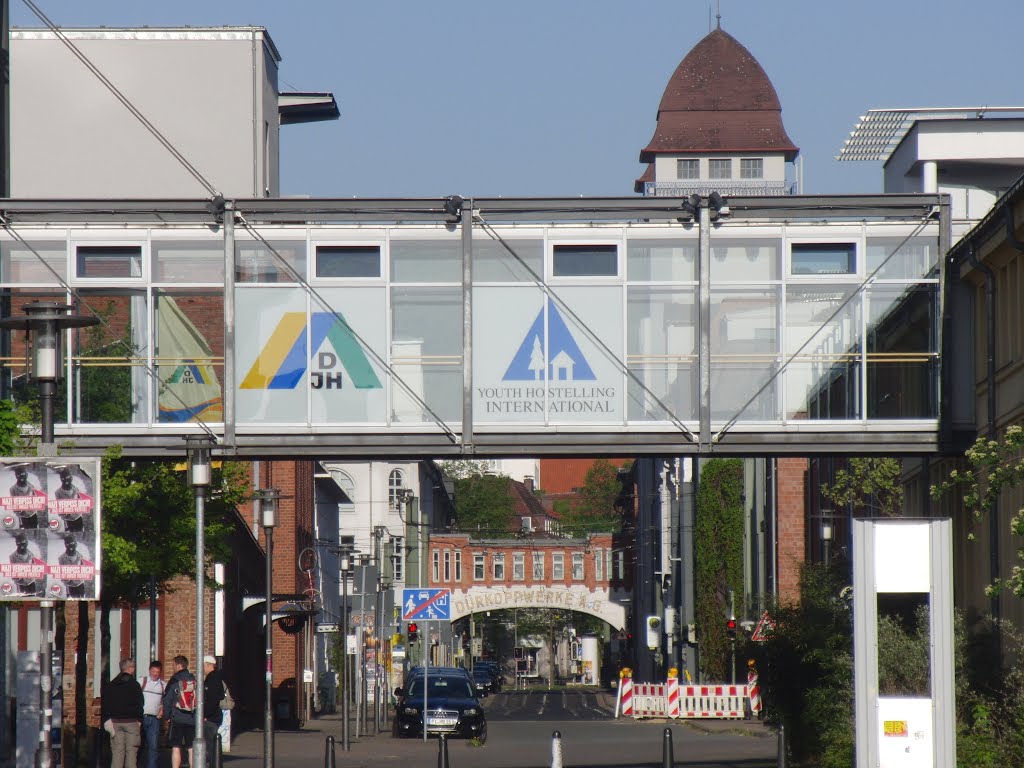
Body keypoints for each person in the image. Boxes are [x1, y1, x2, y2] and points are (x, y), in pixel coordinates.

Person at [100, 658, 143, 768]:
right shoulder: (135, 685)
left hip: (115, 722)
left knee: (117, 753)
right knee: (131, 753)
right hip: (131, 722)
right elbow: (140, 703)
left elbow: (105, 704)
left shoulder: (111, 685)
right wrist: (139, 720)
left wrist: (108, 719)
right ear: (131, 668)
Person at [162, 655, 196, 768]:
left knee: (176, 747)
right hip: (192, 719)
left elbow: (167, 700)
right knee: (191, 747)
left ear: (178, 665)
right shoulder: (194, 680)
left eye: (173, 665)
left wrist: (166, 717)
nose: (173, 668)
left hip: (177, 718)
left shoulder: (175, 680)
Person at [138, 661, 165, 768]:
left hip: (155, 719)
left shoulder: (163, 685)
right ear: (149, 670)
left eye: (157, 672)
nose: (155, 674)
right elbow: (134, 697)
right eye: (153, 671)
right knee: (138, 745)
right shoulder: (142, 681)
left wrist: (162, 710)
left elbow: (165, 701)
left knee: (153, 747)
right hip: (141, 718)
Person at [202, 655, 226, 750]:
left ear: (208, 665)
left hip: (211, 718)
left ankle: (213, 763)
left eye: (203, 666)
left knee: (210, 745)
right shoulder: (214, 678)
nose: (202, 669)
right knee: (211, 744)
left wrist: (205, 714)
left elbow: (212, 699)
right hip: (213, 716)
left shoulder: (213, 679)